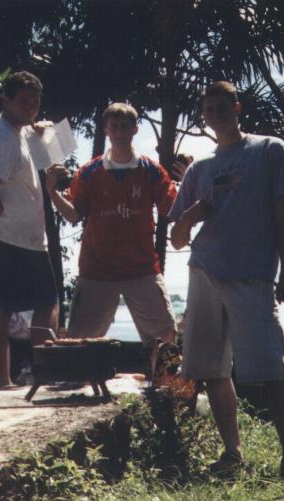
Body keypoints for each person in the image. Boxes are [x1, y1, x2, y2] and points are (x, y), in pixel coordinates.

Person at [168, 81, 284, 477]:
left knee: (272, 368)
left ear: (237, 108)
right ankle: (232, 454)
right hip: (204, 272)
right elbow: (177, 239)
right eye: (208, 110)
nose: (215, 115)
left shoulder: (269, 149)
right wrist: (194, 213)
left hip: (251, 274)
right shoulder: (200, 168)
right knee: (211, 368)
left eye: (221, 108)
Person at [46, 102, 186, 375]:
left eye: (125, 126)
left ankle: (166, 390)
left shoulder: (151, 170)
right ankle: (78, 395)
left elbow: (174, 211)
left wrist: (189, 181)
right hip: (97, 271)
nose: (120, 132)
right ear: (106, 130)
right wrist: (52, 193)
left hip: (142, 269)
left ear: (135, 130)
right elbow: (74, 215)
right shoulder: (88, 172)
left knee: (166, 337)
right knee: (78, 342)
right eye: (115, 126)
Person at [0, 71, 58, 387]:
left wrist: (42, 131)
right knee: (0, 306)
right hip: (0, 236)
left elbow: (54, 161)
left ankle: (39, 371)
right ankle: (1, 381)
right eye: (23, 101)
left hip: (27, 240)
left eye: (35, 102)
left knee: (47, 302)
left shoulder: (21, 130)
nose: (31, 107)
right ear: (6, 101)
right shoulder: (2, 133)